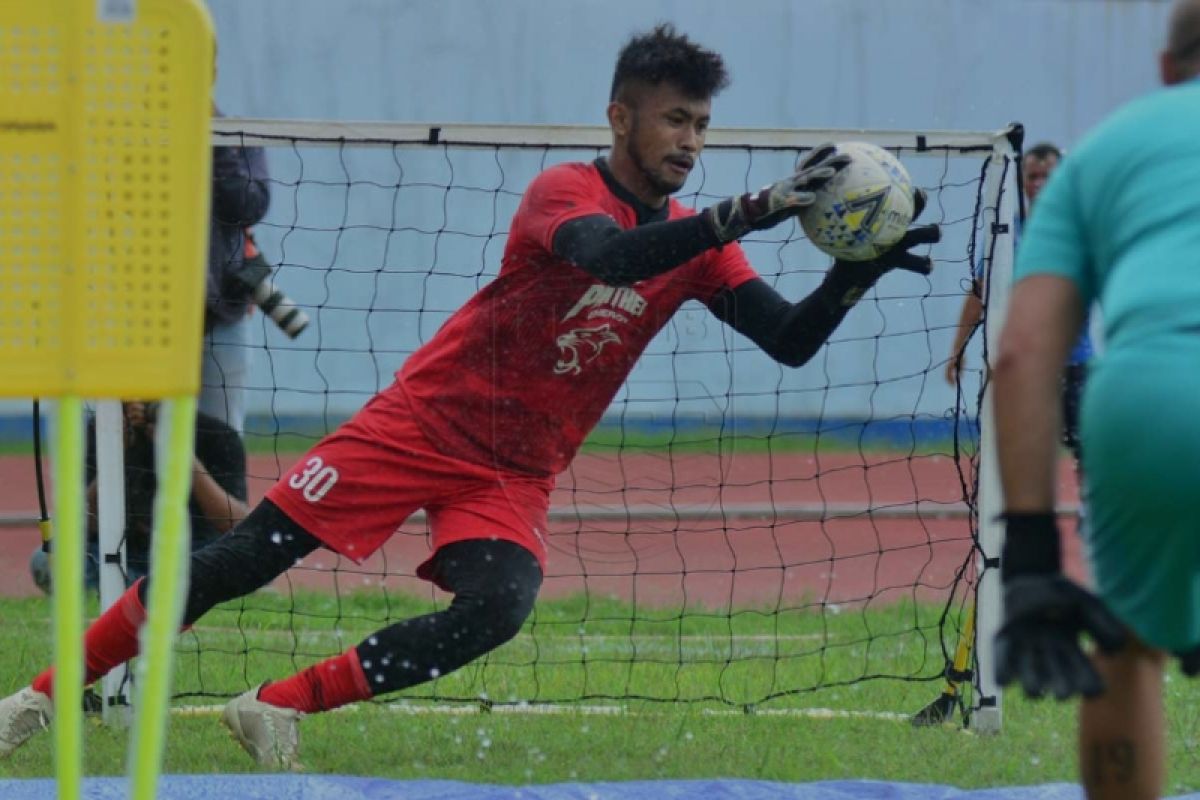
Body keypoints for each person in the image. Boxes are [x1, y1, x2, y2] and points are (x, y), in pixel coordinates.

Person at [0, 24, 939, 769]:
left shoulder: (702, 240)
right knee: (245, 558)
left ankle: (274, 707)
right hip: (421, 423)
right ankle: (40, 698)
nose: (690, 143)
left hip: (515, 469)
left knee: (498, 607)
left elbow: (788, 342)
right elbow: (608, 258)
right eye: (673, 121)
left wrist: (856, 271)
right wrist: (749, 211)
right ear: (621, 118)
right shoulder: (563, 192)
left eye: (700, 124)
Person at [991, 2, 1200, 798]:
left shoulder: (1103, 151)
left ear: (1166, 69)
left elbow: (1022, 353)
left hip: (1150, 398)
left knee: (1128, 644)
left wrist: (1033, 560)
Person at [945, 142, 1093, 462]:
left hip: (1072, 363)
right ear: (1022, 180)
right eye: (1033, 175)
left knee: (1086, 451)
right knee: (1018, 452)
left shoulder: (1080, 230)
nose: (1038, 182)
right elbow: (978, 294)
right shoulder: (1007, 234)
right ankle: (1018, 511)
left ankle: (1088, 510)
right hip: (1020, 362)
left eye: (1047, 175)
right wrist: (958, 349)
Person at [28, 401, 250, 593]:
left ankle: (145, 589)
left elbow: (237, 524)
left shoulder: (215, 434)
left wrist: (183, 455)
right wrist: (114, 454)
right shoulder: (97, 433)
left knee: (242, 561)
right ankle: (146, 590)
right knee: (46, 560)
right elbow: (82, 523)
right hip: (119, 556)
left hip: (192, 556)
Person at [200, 110, 271, 436]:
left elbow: (248, 206)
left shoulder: (237, 135)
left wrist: (217, 143)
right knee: (142, 439)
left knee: (222, 438)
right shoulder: (132, 129)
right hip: (146, 318)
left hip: (223, 313)